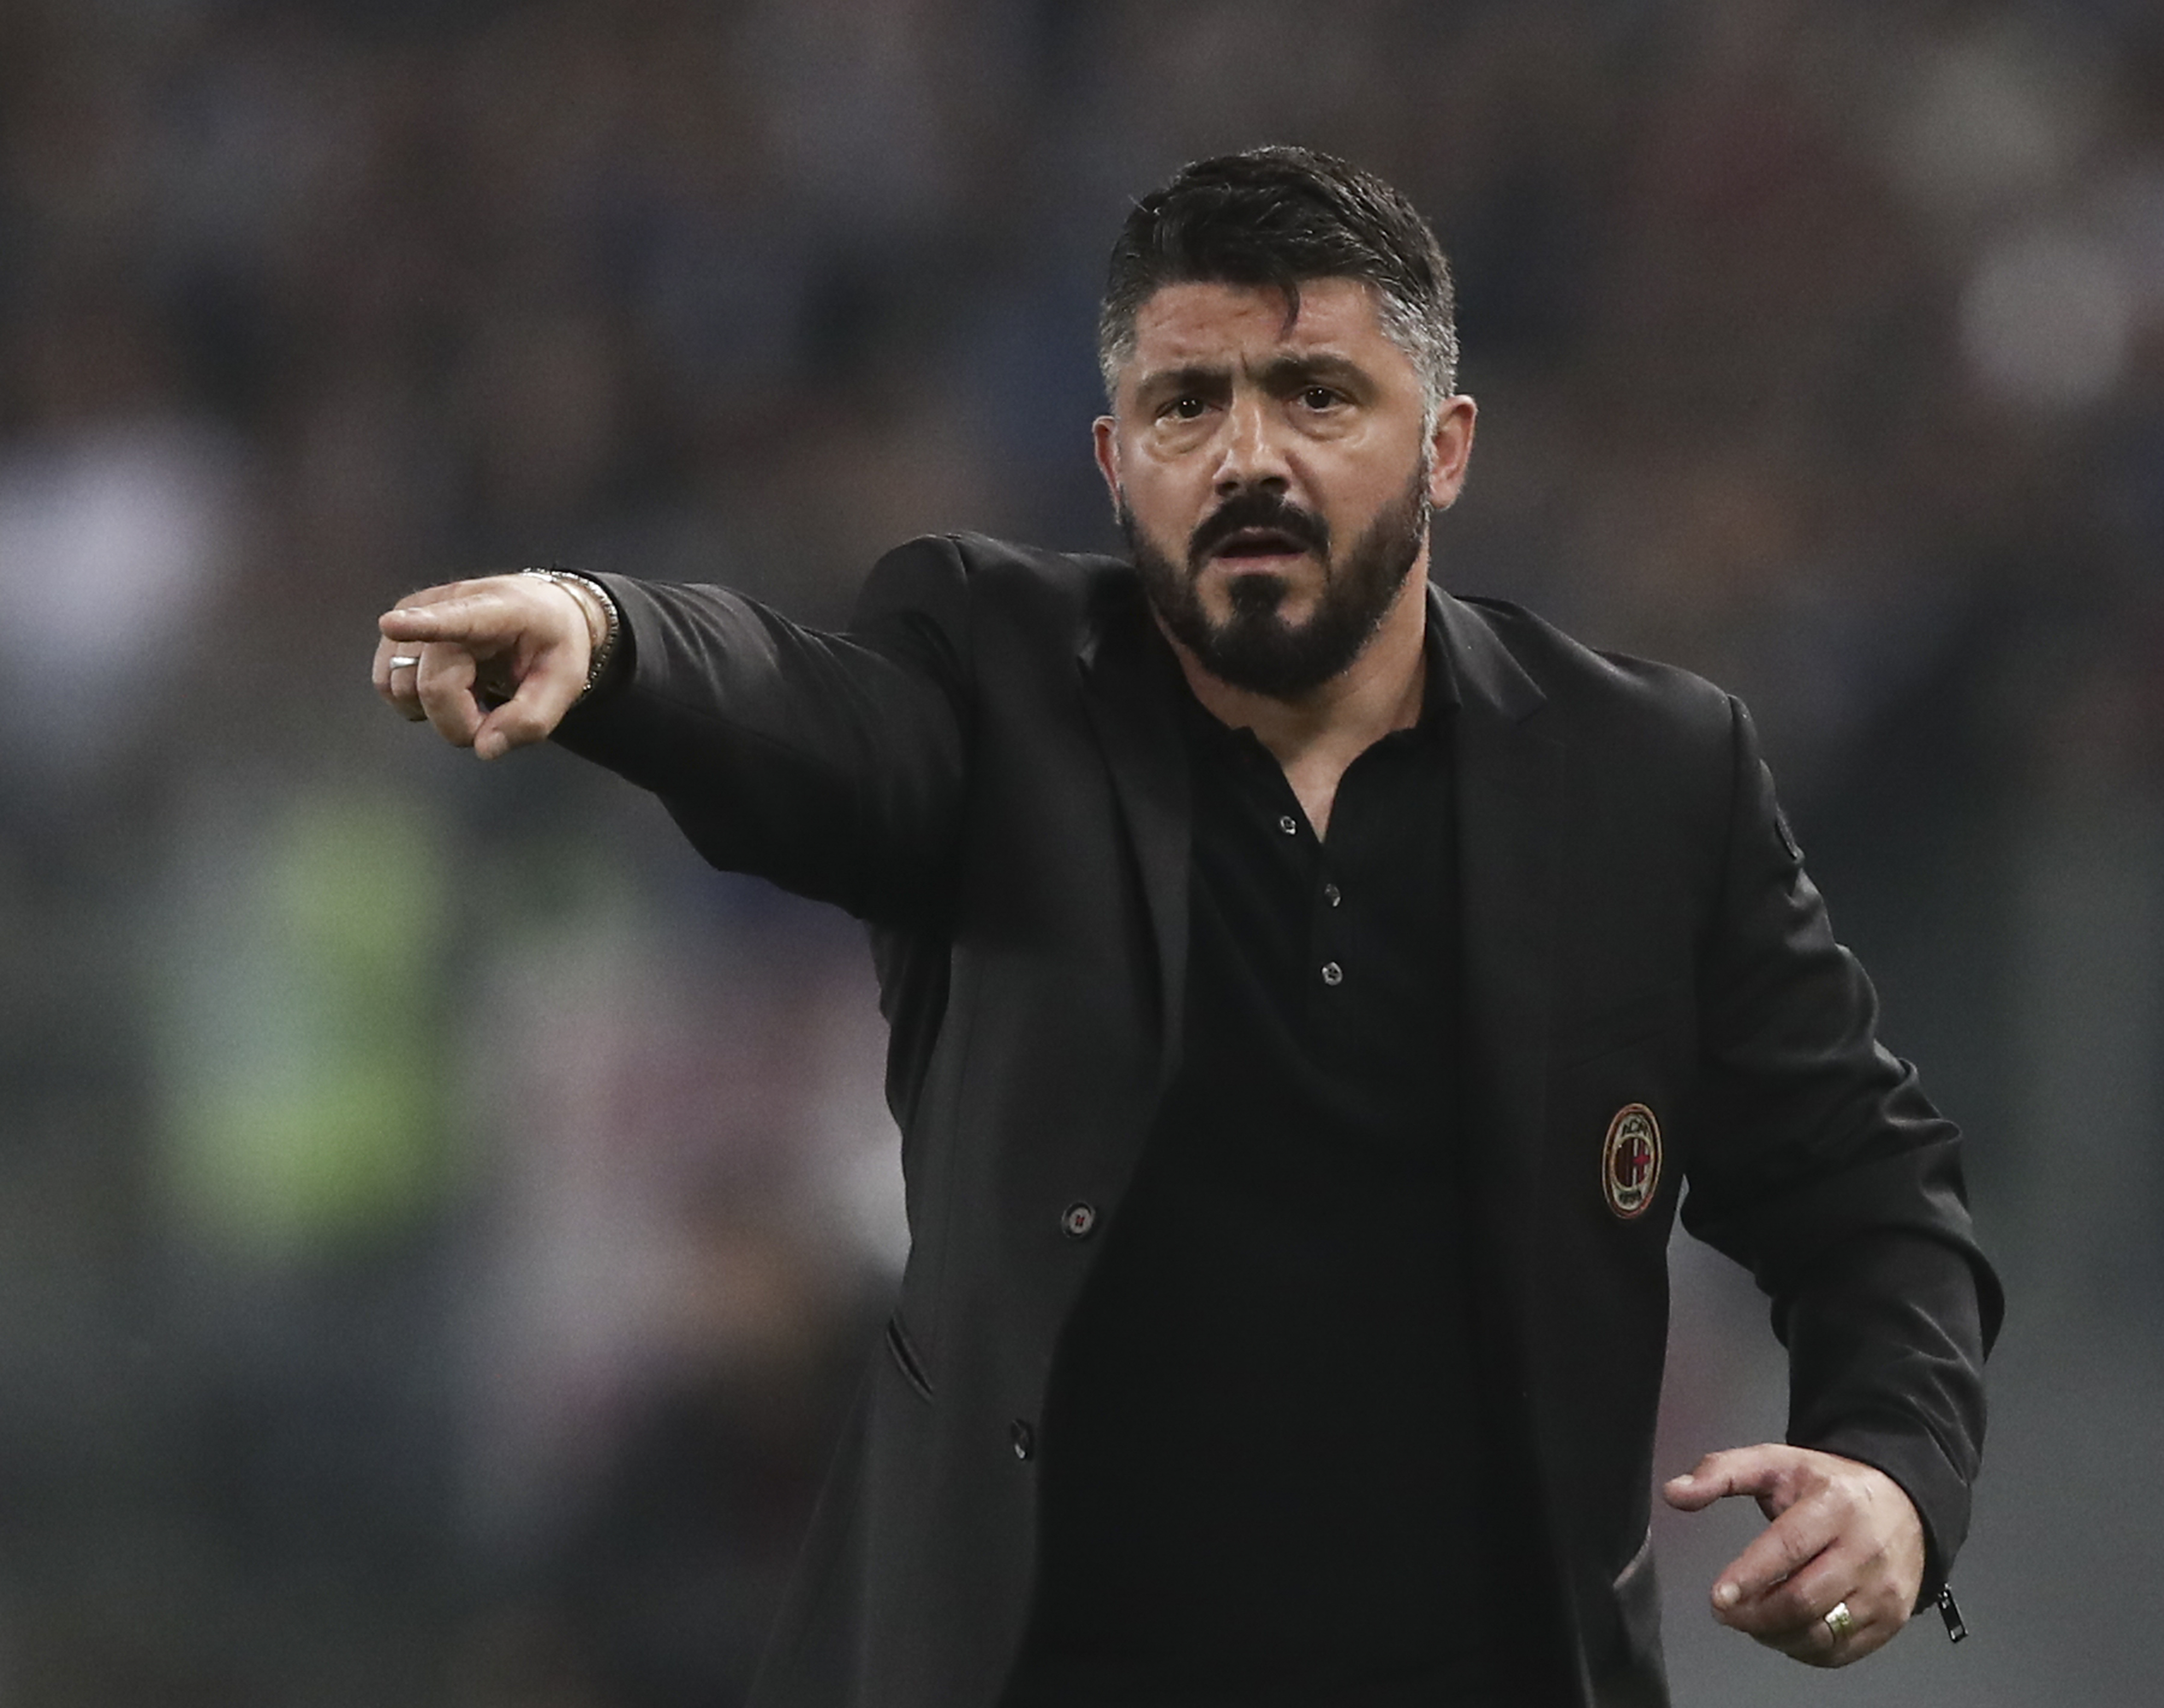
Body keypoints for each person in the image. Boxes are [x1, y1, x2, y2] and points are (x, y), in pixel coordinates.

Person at [371, 147, 2001, 1708]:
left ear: (1444, 450)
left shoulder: (1650, 780)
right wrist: (615, 641)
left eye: (1317, 395)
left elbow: (1873, 1190)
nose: (1247, 458)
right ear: (1115, 463)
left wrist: (1894, 1475)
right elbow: (817, 720)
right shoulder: (995, 680)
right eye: (1185, 404)